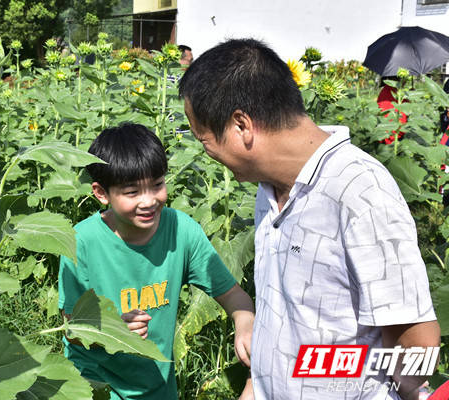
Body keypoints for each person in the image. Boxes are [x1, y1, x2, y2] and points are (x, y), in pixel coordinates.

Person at [179, 38, 440, 400]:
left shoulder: (360, 192)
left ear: (242, 126)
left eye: (204, 140)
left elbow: (417, 343)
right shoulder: (269, 188)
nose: (207, 152)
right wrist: (259, 383)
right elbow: (282, 309)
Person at [58, 123, 255, 400]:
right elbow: (71, 328)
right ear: (101, 193)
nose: (149, 201)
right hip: (93, 385)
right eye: (132, 192)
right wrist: (111, 329)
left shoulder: (180, 231)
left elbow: (234, 295)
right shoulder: (80, 241)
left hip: (155, 385)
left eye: (157, 185)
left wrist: (244, 320)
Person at [377, 77, 408, 145]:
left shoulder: (391, 90)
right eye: (405, 78)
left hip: (394, 132)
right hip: (392, 136)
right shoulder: (390, 91)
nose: (406, 81)